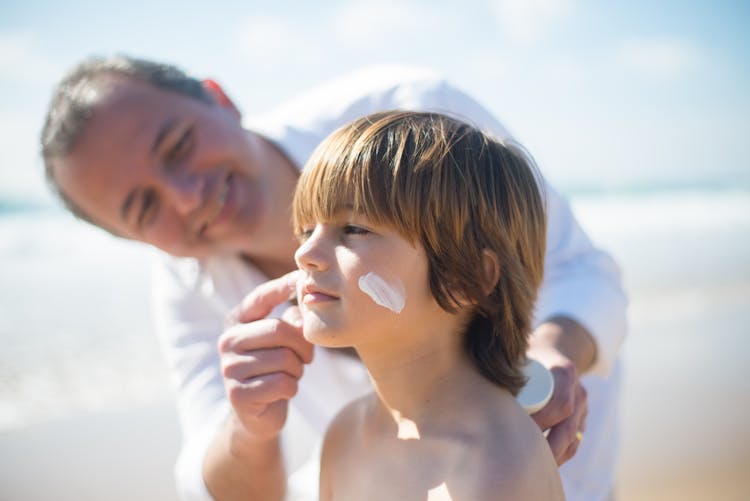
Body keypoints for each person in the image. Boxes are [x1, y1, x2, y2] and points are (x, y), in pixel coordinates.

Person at [41, 55, 627, 501]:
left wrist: (550, 357)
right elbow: (214, 477)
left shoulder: (420, 127)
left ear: (219, 98)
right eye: (144, 208)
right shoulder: (341, 438)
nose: (189, 197)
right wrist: (250, 428)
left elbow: (582, 270)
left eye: (179, 146)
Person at [293, 110, 564, 500]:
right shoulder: (345, 433)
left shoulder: (498, 467)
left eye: (353, 229)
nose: (306, 252)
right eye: (306, 230)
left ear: (466, 277)